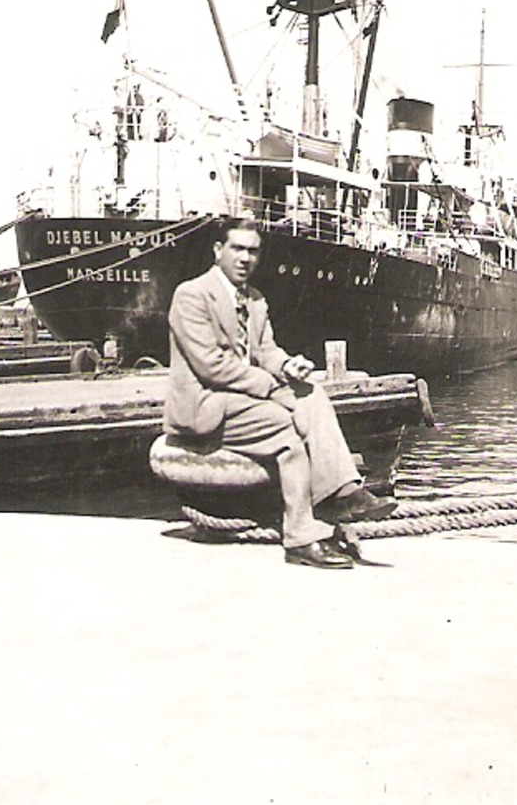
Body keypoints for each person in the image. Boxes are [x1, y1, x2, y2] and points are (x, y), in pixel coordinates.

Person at [163, 217, 397, 569]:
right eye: (237, 249)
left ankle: (343, 494)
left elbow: (266, 351)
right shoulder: (192, 295)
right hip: (204, 406)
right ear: (218, 251)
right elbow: (211, 366)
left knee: (311, 394)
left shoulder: (255, 301)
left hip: (241, 400)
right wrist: (271, 386)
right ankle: (300, 538)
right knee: (282, 427)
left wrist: (288, 366)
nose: (246, 258)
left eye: (253, 251)